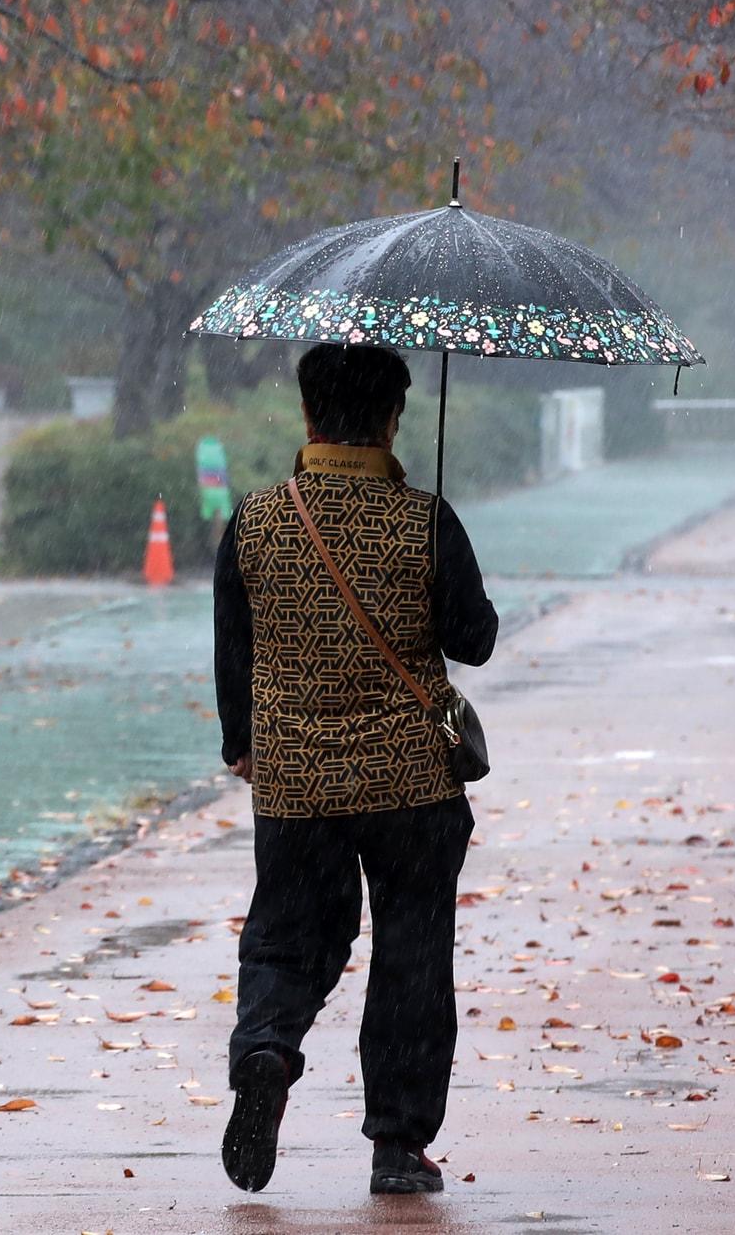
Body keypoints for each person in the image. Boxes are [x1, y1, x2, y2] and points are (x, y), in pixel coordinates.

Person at [213, 341, 498, 1198]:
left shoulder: (257, 520)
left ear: (307, 417)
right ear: (393, 419)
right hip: (412, 783)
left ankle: (265, 1045)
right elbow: (472, 641)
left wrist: (244, 746)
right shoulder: (424, 517)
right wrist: (440, 555)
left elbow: (234, 651)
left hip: (298, 781)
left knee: (289, 936)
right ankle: (398, 1148)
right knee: (411, 954)